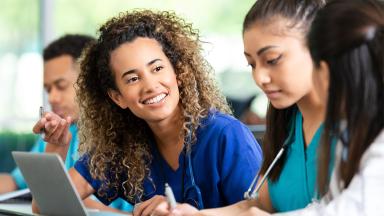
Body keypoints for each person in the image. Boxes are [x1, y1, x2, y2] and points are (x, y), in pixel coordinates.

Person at [155, 0, 384, 215]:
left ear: (319, 48)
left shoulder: (361, 128)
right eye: (252, 64)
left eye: (272, 59)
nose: (259, 77)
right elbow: (260, 204)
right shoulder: (285, 123)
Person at [32, 10, 262, 216]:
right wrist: (57, 146)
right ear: (117, 97)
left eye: (157, 68)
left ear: (178, 73)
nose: (150, 85)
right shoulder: (123, 147)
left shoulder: (227, 136)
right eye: (132, 78)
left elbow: (259, 212)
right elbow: (43, 206)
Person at [0, 34, 132, 212]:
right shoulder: (58, 131)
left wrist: (76, 200)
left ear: (91, 82)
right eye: (48, 89)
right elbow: (18, 181)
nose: (52, 98)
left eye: (61, 86)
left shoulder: (126, 136)